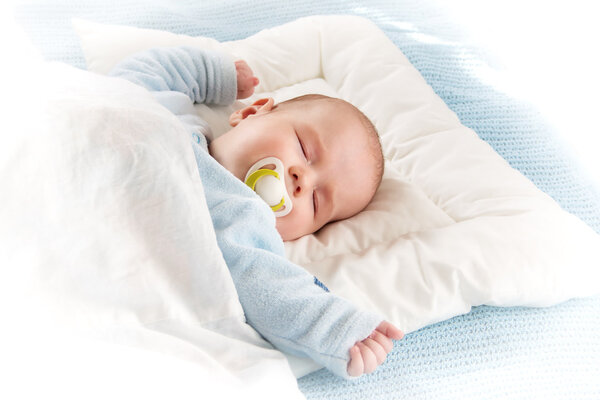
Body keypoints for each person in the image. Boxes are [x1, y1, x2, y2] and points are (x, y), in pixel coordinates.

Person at [109, 46, 403, 378]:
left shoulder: (241, 219)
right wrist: (211, 74)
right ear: (251, 112)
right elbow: (134, 80)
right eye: (304, 149)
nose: (303, 181)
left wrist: (334, 326)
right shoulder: (174, 117)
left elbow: (267, 288)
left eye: (316, 202)